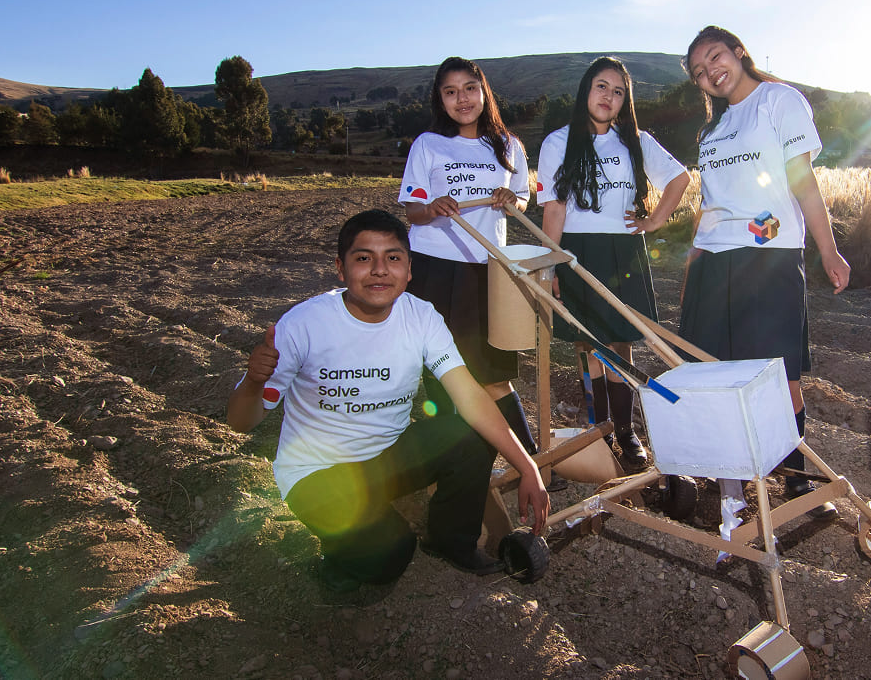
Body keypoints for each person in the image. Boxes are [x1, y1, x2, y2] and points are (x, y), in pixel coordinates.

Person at [227, 209, 549, 597]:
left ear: (409, 269)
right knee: (389, 555)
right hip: (319, 474)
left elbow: (471, 397)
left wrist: (526, 466)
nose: (380, 270)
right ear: (340, 268)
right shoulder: (303, 326)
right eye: (364, 258)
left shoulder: (421, 316)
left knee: (469, 434)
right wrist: (253, 383)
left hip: (388, 456)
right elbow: (241, 422)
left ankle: (451, 541)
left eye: (393, 258)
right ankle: (338, 554)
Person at [679, 26, 851, 515]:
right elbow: (709, 207)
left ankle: (794, 474)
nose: (710, 72)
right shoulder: (710, 130)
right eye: (699, 72)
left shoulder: (779, 101)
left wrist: (828, 250)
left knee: (781, 374)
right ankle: (730, 479)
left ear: (738, 52)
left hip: (769, 254)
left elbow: (802, 181)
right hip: (714, 259)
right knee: (719, 372)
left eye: (715, 57)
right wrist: (695, 267)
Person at [537, 56, 690, 470]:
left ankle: (626, 431)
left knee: (620, 344)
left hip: (623, 252)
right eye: (602, 86)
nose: (609, 96)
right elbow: (554, 210)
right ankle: (599, 429)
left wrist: (654, 220)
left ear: (626, 101)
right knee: (588, 344)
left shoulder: (634, 140)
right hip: (576, 251)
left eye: (618, 91)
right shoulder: (558, 142)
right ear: (586, 89)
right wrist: (549, 267)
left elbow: (680, 179)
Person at [399, 57, 540, 459]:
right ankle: (459, 461)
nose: (461, 99)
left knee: (493, 372)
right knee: (443, 374)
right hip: (433, 268)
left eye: (469, 88)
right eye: (450, 91)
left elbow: (523, 200)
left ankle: (525, 459)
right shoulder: (427, 145)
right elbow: (413, 211)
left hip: (486, 268)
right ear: (440, 99)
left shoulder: (508, 145)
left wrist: (513, 199)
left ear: (483, 92)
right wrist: (434, 206)